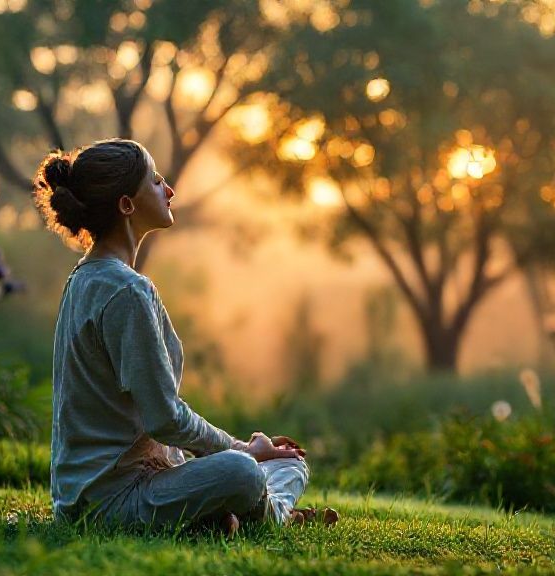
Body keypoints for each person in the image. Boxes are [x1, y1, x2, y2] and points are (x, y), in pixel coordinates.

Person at [32, 138, 336, 534]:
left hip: (100, 494)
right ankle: (275, 514)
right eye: (156, 181)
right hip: (109, 502)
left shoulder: (84, 278)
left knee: (287, 463)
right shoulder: (126, 291)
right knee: (243, 471)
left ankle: (219, 517)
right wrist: (244, 449)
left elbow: (153, 416)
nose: (169, 190)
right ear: (127, 205)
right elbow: (165, 418)